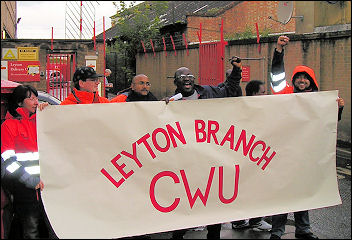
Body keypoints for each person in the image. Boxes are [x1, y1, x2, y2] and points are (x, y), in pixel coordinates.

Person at [269, 35, 344, 239]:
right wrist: (278, 50)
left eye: (305, 77)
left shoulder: (320, 101)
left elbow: (328, 125)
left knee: (302, 191)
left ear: (311, 81)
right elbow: (276, 77)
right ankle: (277, 230)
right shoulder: (284, 93)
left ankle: (303, 229)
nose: (301, 80)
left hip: (306, 155)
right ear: (293, 80)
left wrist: (337, 109)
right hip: (284, 153)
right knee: (283, 192)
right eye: (298, 77)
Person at [165, 57, 243, 239]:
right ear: (176, 82)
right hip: (187, 160)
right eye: (182, 76)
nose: (186, 78)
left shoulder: (209, 92)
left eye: (190, 75)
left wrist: (237, 70)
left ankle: (213, 235)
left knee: (213, 200)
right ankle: (178, 234)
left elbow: (230, 89)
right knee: (187, 200)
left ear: (194, 80)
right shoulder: (171, 102)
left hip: (210, 157)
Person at [1, 85, 56, 238]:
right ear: (19, 102)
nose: (36, 102)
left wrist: (50, 110)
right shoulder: (8, 126)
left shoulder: (40, 121)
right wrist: (29, 180)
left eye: (36, 98)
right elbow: (8, 160)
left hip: (44, 186)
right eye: (31, 98)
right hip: (23, 187)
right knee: (30, 228)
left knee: (46, 228)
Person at [230, 79, 272, 232]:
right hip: (245, 157)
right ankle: (241, 220)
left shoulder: (265, 108)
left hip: (257, 157)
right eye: (263, 92)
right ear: (254, 94)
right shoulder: (243, 108)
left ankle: (254, 220)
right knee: (242, 189)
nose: (265, 95)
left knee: (256, 189)